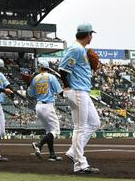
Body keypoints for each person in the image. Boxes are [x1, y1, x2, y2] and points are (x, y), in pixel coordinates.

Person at [59, 23, 101, 174]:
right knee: (80, 128)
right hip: (77, 91)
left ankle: (72, 152)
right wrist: (67, 87)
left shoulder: (81, 50)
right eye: (91, 34)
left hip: (84, 91)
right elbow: (62, 69)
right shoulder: (76, 49)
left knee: (94, 123)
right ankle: (80, 164)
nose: (91, 37)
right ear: (88, 34)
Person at [28, 60, 63, 161]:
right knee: (56, 131)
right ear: (48, 68)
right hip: (48, 105)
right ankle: (39, 144)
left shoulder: (35, 78)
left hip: (38, 106)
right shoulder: (51, 77)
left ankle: (52, 155)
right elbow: (60, 91)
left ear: (39, 68)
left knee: (49, 131)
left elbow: (31, 94)